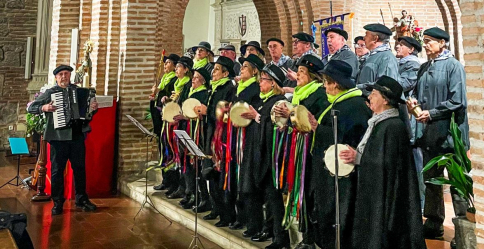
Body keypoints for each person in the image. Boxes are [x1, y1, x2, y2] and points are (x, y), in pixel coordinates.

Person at [340, 76, 426, 249]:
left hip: (387, 202)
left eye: (374, 93)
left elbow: (385, 165)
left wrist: (359, 157)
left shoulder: (392, 127)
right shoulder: (380, 123)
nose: (369, 97)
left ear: (385, 100)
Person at [407, 27, 469, 241]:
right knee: (432, 181)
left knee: (457, 184)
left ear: (443, 43)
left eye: (430, 41)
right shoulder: (424, 67)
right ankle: (434, 223)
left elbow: (457, 100)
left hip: (450, 135)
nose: (425, 44)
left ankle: (463, 229)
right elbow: (417, 91)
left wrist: (431, 113)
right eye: (424, 40)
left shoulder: (454, 67)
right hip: (429, 134)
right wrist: (413, 100)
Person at [309, 60, 371, 249]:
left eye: (326, 82)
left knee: (340, 214)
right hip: (329, 171)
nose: (324, 87)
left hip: (344, 177)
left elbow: (350, 139)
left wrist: (317, 128)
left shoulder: (355, 105)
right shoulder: (338, 103)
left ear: (335, 83)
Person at [27, 65, 98, 215]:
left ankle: (81, 199)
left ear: (70, 76)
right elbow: (32, 107)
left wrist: (93, 107)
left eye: (66, 74)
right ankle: (57, 202)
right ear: (56, 77)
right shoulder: (51, 93)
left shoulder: (79, 91)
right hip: (58, 138)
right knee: (57, 171)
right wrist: (44, 107)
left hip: (77, 135)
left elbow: (88, 111)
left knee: (80, 169)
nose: (64, 76)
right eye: (61, 74)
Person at [274, 54, 329, 249]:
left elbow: (312, 121)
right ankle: (305, 238)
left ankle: (312, 239)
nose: (298, 75)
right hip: (295, 146)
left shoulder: (318, 94)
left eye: (302, 72)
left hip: (308, 151)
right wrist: (286, 122)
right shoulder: (298, 93)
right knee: (298, 192)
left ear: (313, 76)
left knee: (307, 192)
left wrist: (291, 115)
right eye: (297, 71)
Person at [238, 64, 290, 249]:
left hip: (271, 158)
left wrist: (258, 117)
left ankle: (280, 238)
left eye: (264, 80)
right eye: (260, 79)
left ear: (273, 83)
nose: (260, 83)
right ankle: (266, 229)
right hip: (257, 154)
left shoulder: (279, 101)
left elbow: (275, 127)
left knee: (274, 200)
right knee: (264, 197)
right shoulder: (262, 100)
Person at [194, 56, 237, 227]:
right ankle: (216, 208)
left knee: (221, 177)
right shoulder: (214, 88)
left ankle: (227, 215)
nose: (213, 73)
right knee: (210, 174)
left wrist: (207, 112)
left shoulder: (228, 89)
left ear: (226, 73)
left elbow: (226, 116)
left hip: (222, 140)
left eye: (217, 69)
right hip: (210, 136)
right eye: (213, 69)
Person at [230, 54, 265, 234]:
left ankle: (254, 223)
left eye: (245, 66)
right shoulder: (240, 87)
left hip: (249, 138)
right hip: (238, 136)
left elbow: (253, 112)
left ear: (254, 72)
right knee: (239, 178)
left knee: (248, 181)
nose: (241, 69)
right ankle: (241, 217)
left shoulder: (254, 89)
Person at [174, 67, 211, 212]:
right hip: (185, 130)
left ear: (202, 81)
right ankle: (191, 193)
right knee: (187, 165)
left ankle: (203, 197)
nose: (193, 80)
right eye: (193, 77)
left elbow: (199, 113)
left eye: (196, 78)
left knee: (196, 165)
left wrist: (186, 116)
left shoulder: (203, 94)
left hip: (197, 134)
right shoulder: (189, 91)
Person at [156, 56, 194, 197]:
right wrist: (166, 99)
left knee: (182, 158)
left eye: (178, 67)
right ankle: (175, 185)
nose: (176, 69)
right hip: (173, 125)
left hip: (183, 125)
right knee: (172, 154)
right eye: (176, 66)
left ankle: (184, 188)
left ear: (186, 70)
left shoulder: (187, 85)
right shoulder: (176, 83)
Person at [150, 53, 179, 159]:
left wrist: (159, 92)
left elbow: (167, 96)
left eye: (168, 63)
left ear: (174, 66)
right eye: (165, 63)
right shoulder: (164, 79)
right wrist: (154, 97)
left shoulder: (174, 80)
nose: (165, 65)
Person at [356, 23, 399, 95]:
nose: (364, 38)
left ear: (375, 38)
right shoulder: (372, 55)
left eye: (366, 35)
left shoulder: (387, 58)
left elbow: (385, 86)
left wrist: (358, 87)